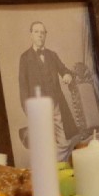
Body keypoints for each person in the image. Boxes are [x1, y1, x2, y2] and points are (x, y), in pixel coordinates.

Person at [18, 21, 78, 158]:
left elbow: (63, 69)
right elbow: (23, 86)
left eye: (42, 32)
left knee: (64, 141)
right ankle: (50, 169)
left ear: (46, 35)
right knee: (44, 141)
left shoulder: (52, 55)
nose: (40, 35)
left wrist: (67, 74)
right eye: (36, 32)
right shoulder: (25, 58)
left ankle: (54, 166)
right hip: (38, 106)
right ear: (31, 35)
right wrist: (28, 108)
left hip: (56, 104)